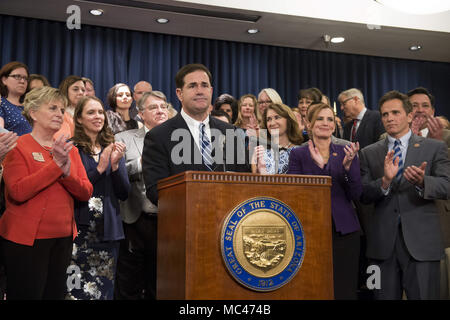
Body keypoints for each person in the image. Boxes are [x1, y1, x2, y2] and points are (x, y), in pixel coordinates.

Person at [0, 86, 93, 299]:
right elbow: (18, 191)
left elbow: (85, 191)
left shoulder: (71, 150)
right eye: (52, 108)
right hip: (26, 241)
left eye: (61, 110)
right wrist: (57, 167)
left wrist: (65, 171)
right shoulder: (17, 146)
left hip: (63, 238)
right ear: (33, 113)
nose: (59, 114)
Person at [359, 90, 450, 300]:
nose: (389, 118)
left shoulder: (435, 148)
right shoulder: (369, 153)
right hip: (382, 248)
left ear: (409, 116)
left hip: (422, 246)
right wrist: (384, 182)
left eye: (395, 112)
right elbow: (362, 195)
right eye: (384, 114)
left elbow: (446, 185)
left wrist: (422, 182)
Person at [143, 63, 250, 205]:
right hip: (185, 220)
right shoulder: (158, 136)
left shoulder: (231, 132)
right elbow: (156, 191)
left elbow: (243, 181)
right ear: (179, 94)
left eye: (204, 85)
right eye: (192, 86)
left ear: (211, 91)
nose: (200, 91)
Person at [287, 102, 362, 299]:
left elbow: (355, 194)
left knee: (344, 290)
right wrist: (321, 169)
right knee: (314, 288)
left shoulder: (346, 150)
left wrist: (346, 168)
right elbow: (297, 194)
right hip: (310, 231)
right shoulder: (298, 154)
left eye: (329, 119)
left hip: (344, 232)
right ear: (308, 123)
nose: (325, 123)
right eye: (319, 118)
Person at [66, 96, 130, 300]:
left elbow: (124, 193)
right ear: (79, 119)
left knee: (103, 292)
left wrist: (115, 166)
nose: (98, 116)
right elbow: (75, 189)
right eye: (91, 112)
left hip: (108, 232)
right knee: (74, 292)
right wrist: (101, 167)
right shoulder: (71, 148)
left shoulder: (113, 147)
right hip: (79, 232)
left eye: (100, 112)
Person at [114, 91, 169, 300]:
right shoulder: (123, 138)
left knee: (161, 281)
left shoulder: (179, 141)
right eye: (154, 107)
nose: (160, 111)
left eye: (163, 107)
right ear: (141, 113)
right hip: (135, 219)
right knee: (130, 283)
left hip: (168, 221)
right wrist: (140, 164)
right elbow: (117, 173)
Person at [407, 86, 450, 299]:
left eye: (425, 106)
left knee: (437, 286)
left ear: (433, 110)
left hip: (439, 219)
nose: (420, 110)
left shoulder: (447, 136)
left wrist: (437, 143)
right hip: (405, 220)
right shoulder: (390, 136)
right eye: (414, 106)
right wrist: (410, 143)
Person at [252, 103, 303, 174]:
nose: (272, 123)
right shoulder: (261, 152)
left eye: (277, 117)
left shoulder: (300, 152)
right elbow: (255, 183)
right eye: (269, 119)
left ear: (288, 120)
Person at [0, 61, 32, 135]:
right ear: (4, 80)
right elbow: (0, 132)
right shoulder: (1, 103)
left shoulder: (29, 106)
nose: (22, 81)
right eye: (17, 76)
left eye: (25, 78)